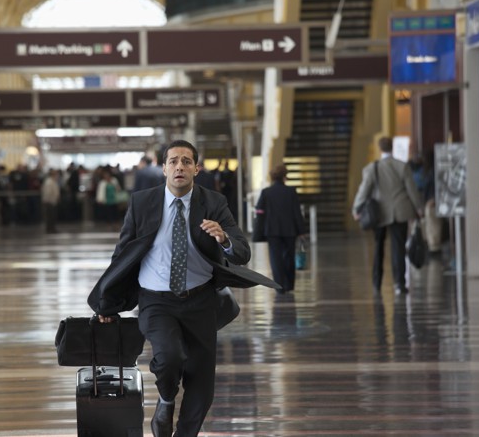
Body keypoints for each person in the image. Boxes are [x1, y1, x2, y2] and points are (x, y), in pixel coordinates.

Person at [88, 140, 278, 437]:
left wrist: (224, 239)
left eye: (186, 161)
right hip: (155, 300)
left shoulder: (213, 203)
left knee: (201, 384)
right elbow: (122, 256)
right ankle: (165, 401)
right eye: (173, 161)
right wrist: (107, 304)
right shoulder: (142, 203)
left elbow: (241, 251)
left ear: (196, 169)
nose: (180, 166)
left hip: (200, 300)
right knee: (169, 357)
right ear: (163, 168)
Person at [352, 136, 423, 295]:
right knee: (398, 248)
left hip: (379, 213)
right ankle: (399, 284)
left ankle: (377, 283)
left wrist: (356, 209)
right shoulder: (402, 166)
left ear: (380, 149)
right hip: (400, 211)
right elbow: (412, 190)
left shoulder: (372, 168)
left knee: (378, 248)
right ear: (392, 148)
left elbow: (364, 190)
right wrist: (418, 208)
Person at [255, 164, 307, 293]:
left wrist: (258, 232)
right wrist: (301, 231)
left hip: (272, 230)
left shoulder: (266, 192)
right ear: (285, 176)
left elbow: (259, 211)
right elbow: (297, 213)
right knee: (289, 257)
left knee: (275, 258)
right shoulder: (291, 192)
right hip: (290, 230)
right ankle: (289, 284)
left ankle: (279, 286)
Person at [41, 168, 60, 233]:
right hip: (50, 202)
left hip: (53, 201)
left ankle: (52, 228)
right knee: (50, 217)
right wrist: (47, 200)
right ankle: (50, 229)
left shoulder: (53, 181)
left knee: (52, 216)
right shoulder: (49, 182)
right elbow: (47, 192)